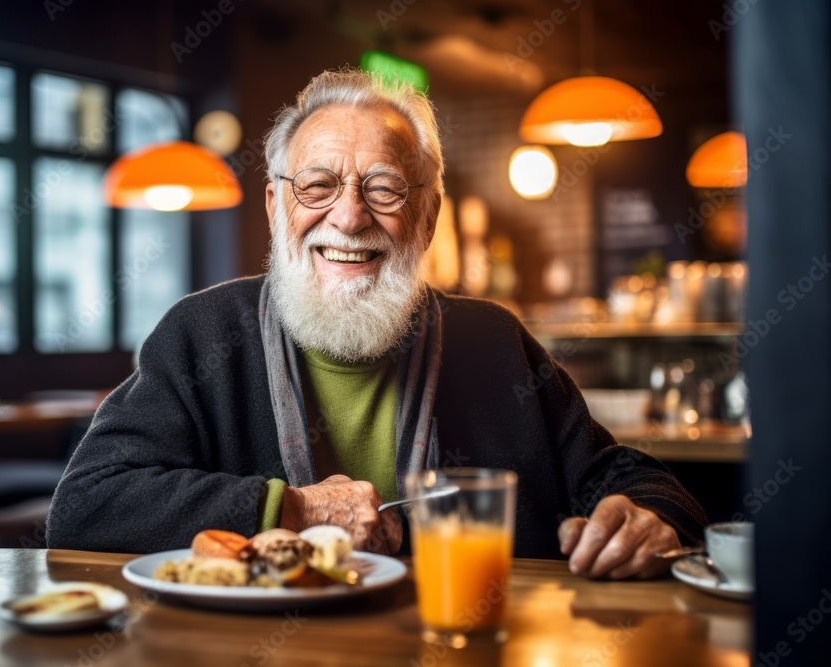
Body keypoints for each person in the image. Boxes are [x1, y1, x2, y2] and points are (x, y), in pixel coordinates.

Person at [47, 69, 706, 579]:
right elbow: (87, 504)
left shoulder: (495, 343)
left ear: (428, 213)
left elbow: (632, 480)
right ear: (277, 204)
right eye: (318, 186)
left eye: (385, 188)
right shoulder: (201, 333)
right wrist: (294, 510)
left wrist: (648, 518)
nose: (350, 216)